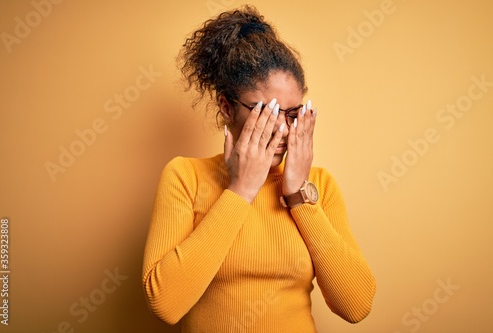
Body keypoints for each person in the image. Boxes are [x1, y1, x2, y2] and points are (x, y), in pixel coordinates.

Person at [142, 5, 376, 332]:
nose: (281, 129)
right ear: (227, 107)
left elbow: (356, 305)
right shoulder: (185, 177)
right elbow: (166, 304)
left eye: (293, 114)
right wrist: (241, 190)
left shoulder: (319, 186)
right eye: (266, 113)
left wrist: (297, 195)